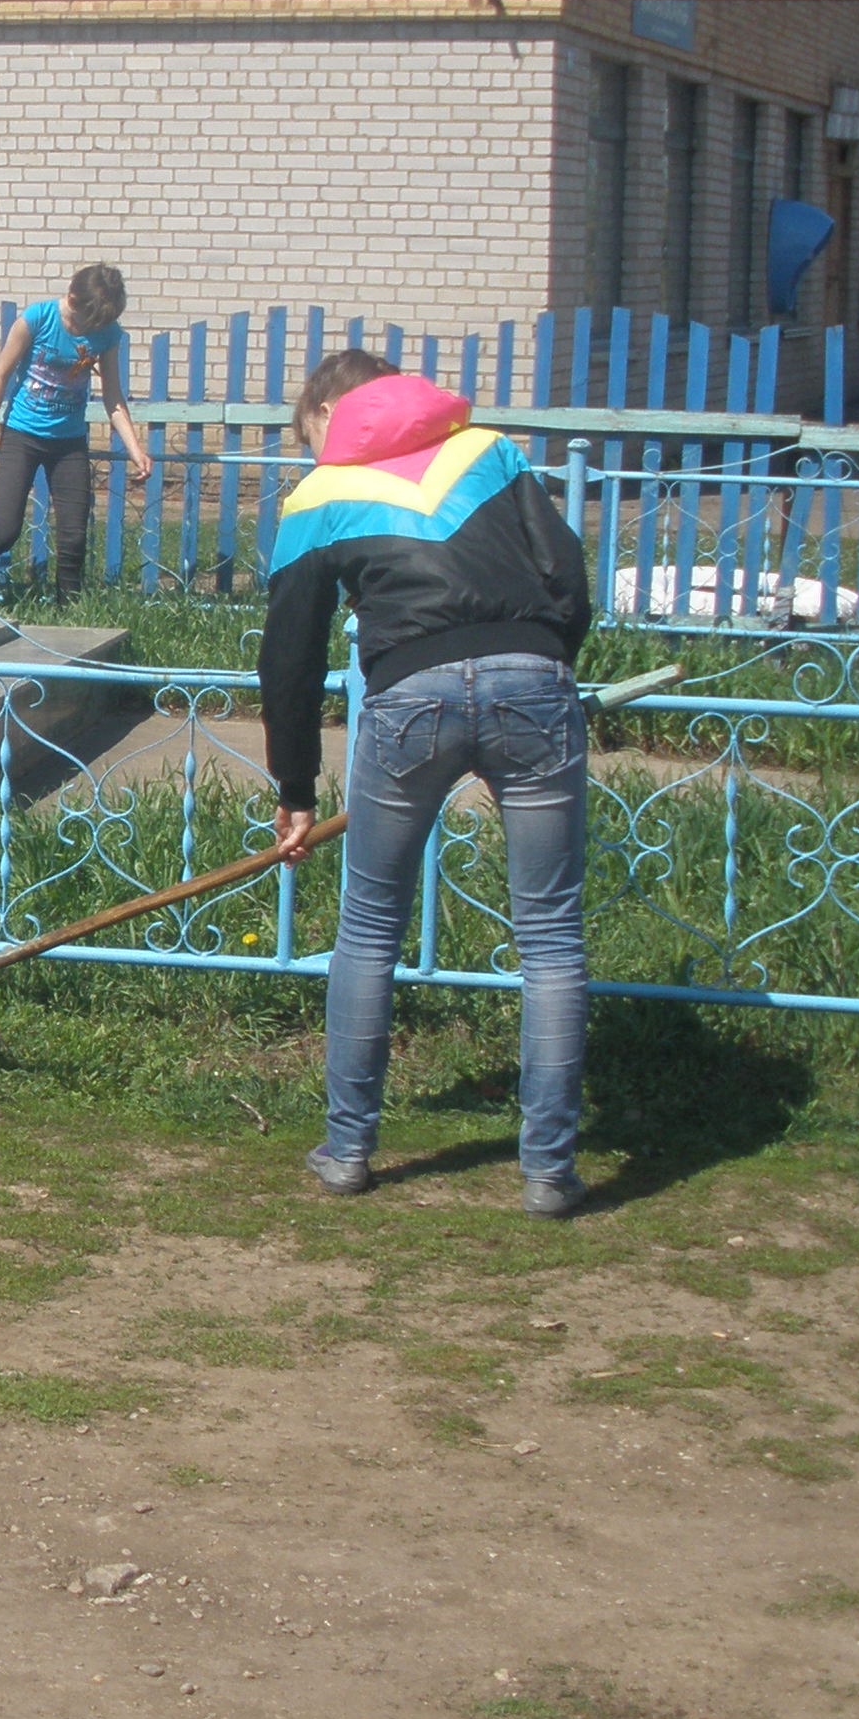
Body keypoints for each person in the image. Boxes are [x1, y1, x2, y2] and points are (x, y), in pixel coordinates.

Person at [260, 350, 595, 1218]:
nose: (313, 451)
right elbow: (567, 575)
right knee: (550, 938)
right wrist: (547, 666)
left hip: (409, 699)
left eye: (311, 435)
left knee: (370, 929)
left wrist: (294, 786)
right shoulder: (489, 451)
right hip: (536, 683)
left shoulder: (319, 497)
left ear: (332, 412)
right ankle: (549, 1173)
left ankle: (347, 1151)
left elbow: (289, 659)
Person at [0, 263, 145, 601]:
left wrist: (135, 450)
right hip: (22, 434)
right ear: (71, 298)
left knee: (73, 537)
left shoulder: (107, 332)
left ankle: (69, 610)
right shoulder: (37, 319)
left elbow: (113, 395)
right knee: (5, 531)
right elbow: (0, 377)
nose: (90, 331)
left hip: (69, 441)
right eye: (87, 323)